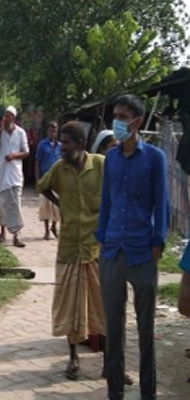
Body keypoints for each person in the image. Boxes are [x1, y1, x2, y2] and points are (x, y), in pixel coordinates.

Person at [96, 94, 169, 400]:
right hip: (112, 249)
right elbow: (107, 201)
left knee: (145, 330)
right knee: (113, 329)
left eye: (123, 117)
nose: (117, 122)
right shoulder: (110, 158)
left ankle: (148, 392)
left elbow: (161, 203)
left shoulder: (155, 158)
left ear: (137, 122)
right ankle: (114, 390)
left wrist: (158, 242)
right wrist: (101, 238)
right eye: (115, 116)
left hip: (142, 251)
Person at [37, 121, 107, 381]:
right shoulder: (59, 169)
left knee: (101, 306)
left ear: (80, 144)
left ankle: (110, 363)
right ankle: (73, 359)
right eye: (62, 142)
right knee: (70, 307)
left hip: (96, 246)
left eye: (67, 143)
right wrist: (61, 206)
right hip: (68, 247)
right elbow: (43, 186)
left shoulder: (101, 164)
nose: (62, 148)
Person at [0, 106, 29, 248]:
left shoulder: (21, 133)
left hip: (15, 174)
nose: (5, 118)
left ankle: (17, 236)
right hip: (2, 174)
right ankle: (2, 233)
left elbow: (26, 152)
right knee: (3, 204)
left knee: (16, 204)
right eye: (4, 116)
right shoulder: (0, 132)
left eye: (8, 116)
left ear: (13, 118)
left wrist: (14, 155)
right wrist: (0, 130)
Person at [35, 121, 62, 240]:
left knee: (58, 205)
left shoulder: (61, 146)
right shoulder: (42, 145)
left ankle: (54, 226)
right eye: (51, 130)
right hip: (45, 177)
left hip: (58, 179)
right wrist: (37, 178)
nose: (53, 132)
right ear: (48, 131)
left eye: (55, 130)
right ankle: (46, 230)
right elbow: (37, 162)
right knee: (45, 205)